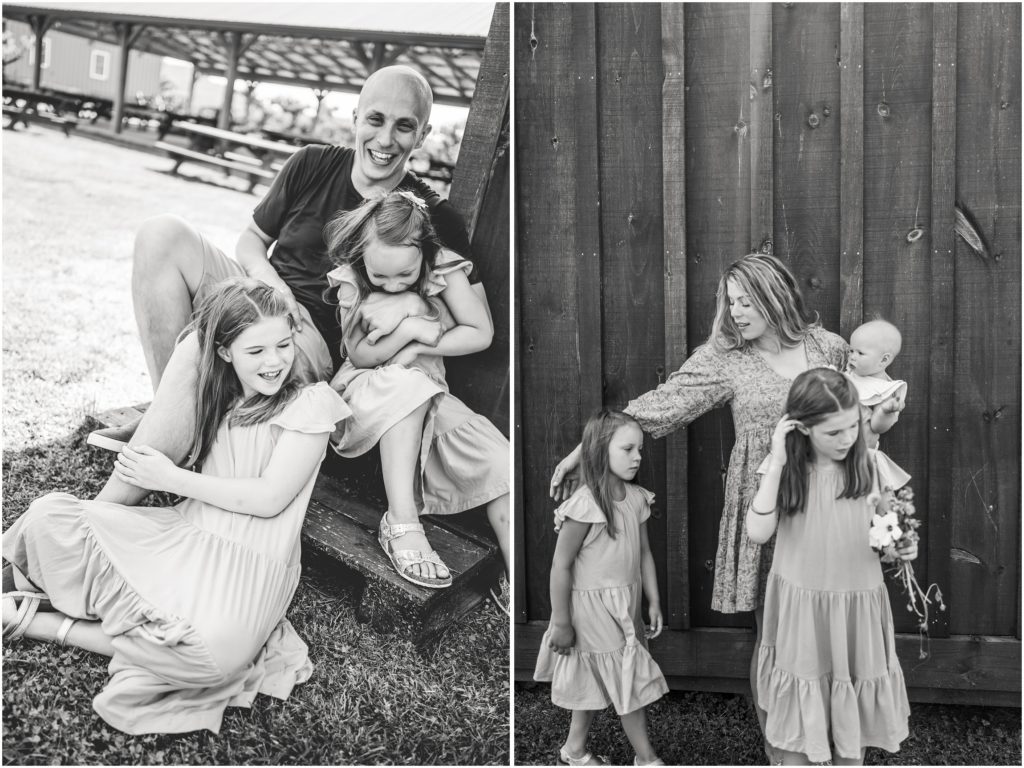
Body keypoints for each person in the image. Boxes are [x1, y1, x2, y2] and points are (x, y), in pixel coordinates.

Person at [87, 65, 477, 510]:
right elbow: (251, 241)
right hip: (261, 292)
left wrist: (406, 311)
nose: (386, 139)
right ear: (356, 118)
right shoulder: (311, 162)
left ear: (423, 134)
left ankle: (102, 512)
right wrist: (273, 286)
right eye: (375, 119)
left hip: (314, 339)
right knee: (161, 233)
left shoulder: (430, 215)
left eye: (404, 126)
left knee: (202, 344)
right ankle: (175, 417)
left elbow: (471, 318)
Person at [2, 279, 351, 734]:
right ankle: (49, 593)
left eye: (283, 344)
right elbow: (176, 414)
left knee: (213, 657)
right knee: (50, 514)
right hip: (185, 533)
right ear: (225, 353)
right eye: (256, 351)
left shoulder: (310, 404)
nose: (274, 361)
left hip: (250, 562)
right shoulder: (220, 397)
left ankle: (34, 621)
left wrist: (168, 479)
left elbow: (269, 499)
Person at [549, 253, 848, 757]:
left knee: (826, 621)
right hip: (767, 505)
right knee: (776, 628)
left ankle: (830, 731)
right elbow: (662, 403)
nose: (737, 312)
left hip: (828, 502)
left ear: (777, 295)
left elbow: (862, 411)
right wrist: (588, 449)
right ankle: (785, 748)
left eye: (748, 300)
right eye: (731, 302)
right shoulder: (724, 358)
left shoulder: (830, 347)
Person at [324, 190, 509, 588]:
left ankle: (515, 575)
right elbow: (360, 355)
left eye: (405, 276)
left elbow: (481, 332)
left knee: (501, 462)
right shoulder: (352, 275)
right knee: (407, 385)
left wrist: (421, 344)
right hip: (367, 387)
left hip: (430, 390)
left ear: (425, 252)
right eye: (381, 277)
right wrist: (408, 326)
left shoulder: (443, 267)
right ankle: (401, 522)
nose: (391, 285)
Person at [746, 368, 913, 765]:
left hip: (856, 608)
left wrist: (901, 548)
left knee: (850, 743)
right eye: (833, 433)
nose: (848, 439)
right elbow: (757, 531)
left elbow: (890, 538)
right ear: (802, 429)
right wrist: (777, 460)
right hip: (804, 612)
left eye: (852, 427)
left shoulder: (871, 467)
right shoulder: (785, 470)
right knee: (796, 743)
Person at [535, 410, 668, 767]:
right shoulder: (584, 505)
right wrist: (561, 622)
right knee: (627, 686)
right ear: (599, 450)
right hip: (590, 612)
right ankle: (647, 759)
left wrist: (653, 599)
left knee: (596, 680)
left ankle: (573, 751)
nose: (637, 456)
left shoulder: (637, 498)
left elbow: (644, 554)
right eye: (627, 449)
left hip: (625, 605)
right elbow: (560, 565)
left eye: (639, 449)